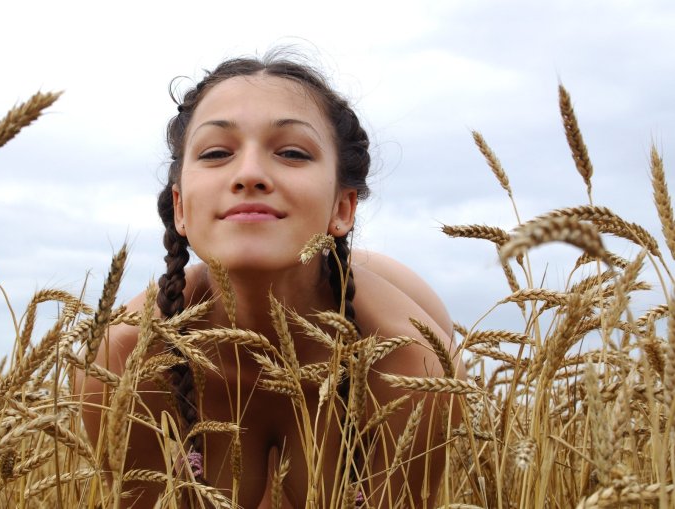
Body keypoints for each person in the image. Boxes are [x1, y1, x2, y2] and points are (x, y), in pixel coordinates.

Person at [79, 53, 463, 508]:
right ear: (179, 208)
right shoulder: (126, 362)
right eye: (217, 152)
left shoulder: (411, 364)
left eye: (292, 152)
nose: (250, 175)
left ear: (343, 208)